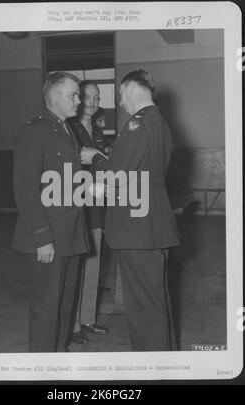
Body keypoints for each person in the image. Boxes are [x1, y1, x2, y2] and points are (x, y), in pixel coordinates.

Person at [81, 70, 179, 351]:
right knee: (156, 302)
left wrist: (95, 157)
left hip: (137, 228)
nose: (121, 102)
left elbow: (114, 175)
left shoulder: (138, 124)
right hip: (154, 223)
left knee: (143, 309)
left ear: (131, 89)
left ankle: (151, 369)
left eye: (121, 95)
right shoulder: (161, 123)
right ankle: (165, 364)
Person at [12, 72, 89, 352]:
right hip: (49, 236)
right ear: (55, 96)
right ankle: (42, 366)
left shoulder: (67, 128)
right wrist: (41, 237)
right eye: (73, 95)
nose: (78, 101)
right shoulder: (33, 130)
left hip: (69, 233)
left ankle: (57, 356)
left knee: (65, 304)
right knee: (46, 307)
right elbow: (26, 189)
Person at [67, 81, 108, 344]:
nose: (92, 102)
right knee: (77, 265)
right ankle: (72, 326)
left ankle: (88, 319)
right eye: (87, 97)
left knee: (94, 262)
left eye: (96, 97)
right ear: (78, 99)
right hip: (78, 202)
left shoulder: (98, 127)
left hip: (97, 201)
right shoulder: (70, 127)